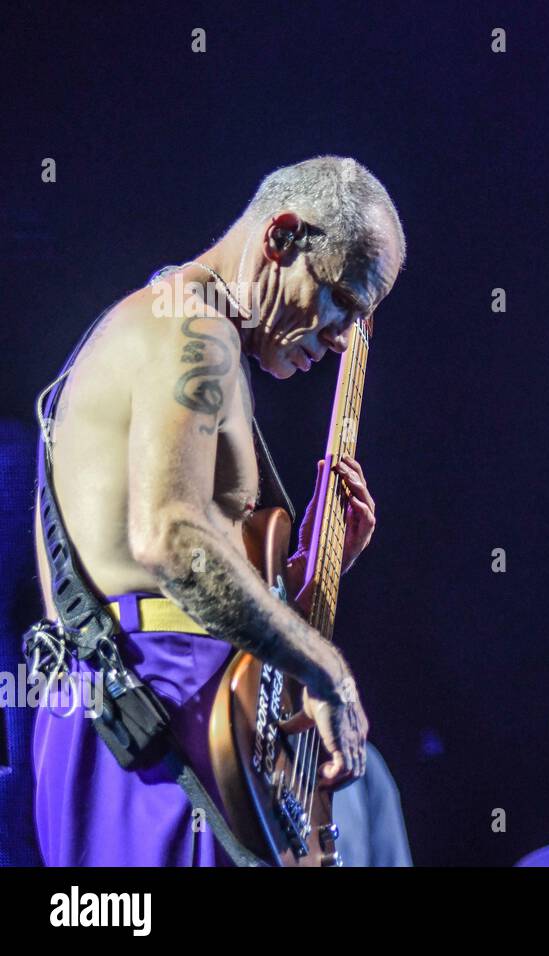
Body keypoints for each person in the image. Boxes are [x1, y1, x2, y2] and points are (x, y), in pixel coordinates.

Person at [31, 156, 405, 866]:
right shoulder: (192, 330)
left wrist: (301, 581)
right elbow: (169, 541)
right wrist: (327, 670)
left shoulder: (199, 333)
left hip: (159, 707)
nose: (340, 339)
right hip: (152, 709)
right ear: (283, 238)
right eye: (343, 305)